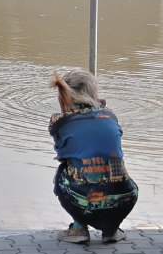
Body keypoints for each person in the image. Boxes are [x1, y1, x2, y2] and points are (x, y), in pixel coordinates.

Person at [49, 69, 138, 244]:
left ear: (63, 94)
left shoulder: (59, 121)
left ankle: (79, 228)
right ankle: (111, 230)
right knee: (112, 168)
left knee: (63, 171)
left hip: (85, 201)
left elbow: (62, 152)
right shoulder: (110, 116)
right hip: (126, 198)